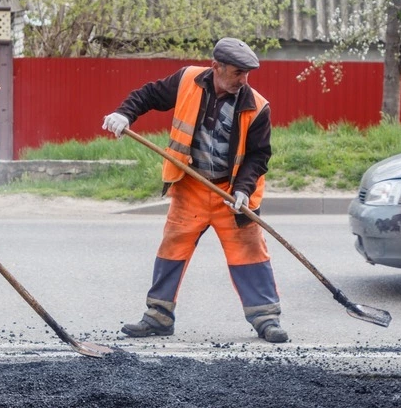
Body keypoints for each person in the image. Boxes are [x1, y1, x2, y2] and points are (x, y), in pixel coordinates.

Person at [102, 38, 288, 343]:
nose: (243, 80)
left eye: (247, 74)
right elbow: (149, 95)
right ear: (216, 67)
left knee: (250, 252)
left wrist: (242, 190)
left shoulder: (257, 106)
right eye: (237, 72)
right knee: (172, 248)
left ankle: (266, 318)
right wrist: (125, 114)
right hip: (192, 187)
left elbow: (258, 156)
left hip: (232, 192)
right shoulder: (187, 79)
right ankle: (158, 316)